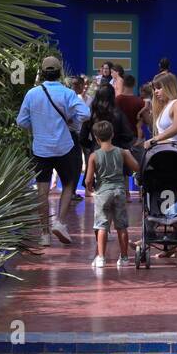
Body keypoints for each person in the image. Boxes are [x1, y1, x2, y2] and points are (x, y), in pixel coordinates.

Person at [17, 56, 89, 246]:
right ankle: (60, 222)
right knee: (68, 184)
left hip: (41, 148)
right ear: (60, 73)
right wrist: (72, 120)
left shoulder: (32, 94)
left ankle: (44, 233)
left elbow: (21, 122)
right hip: (64, 147)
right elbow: (86, 114)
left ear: (42, 73)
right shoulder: (67, 93)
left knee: (42, 190)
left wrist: (38, 123)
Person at [85, 120, 139, 268]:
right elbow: (136, 167)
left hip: (103, 192)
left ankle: (101, 258)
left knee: (101, 225)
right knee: (121, 226)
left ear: (96, 138)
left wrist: (90, 187)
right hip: (119, 191)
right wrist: (128, 155)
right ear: (113, 135)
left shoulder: (94, 156)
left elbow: (88, 179)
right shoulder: (121, 152)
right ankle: (124, 258)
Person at [85, 83, 136, 151]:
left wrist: (94, 146)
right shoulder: (118, 114)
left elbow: (82, 138)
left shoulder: (91, 114)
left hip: (96, 152)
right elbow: (128, 135)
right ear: (112, 96)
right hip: (115, 152)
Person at [144, 71, 177, 150]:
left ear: (169, 87)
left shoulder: (176, 103)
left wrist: (155, 139)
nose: (156, 91)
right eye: (154, 89)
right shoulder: (163, 106)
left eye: (159, 88)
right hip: (163, 150)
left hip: (172, 151)